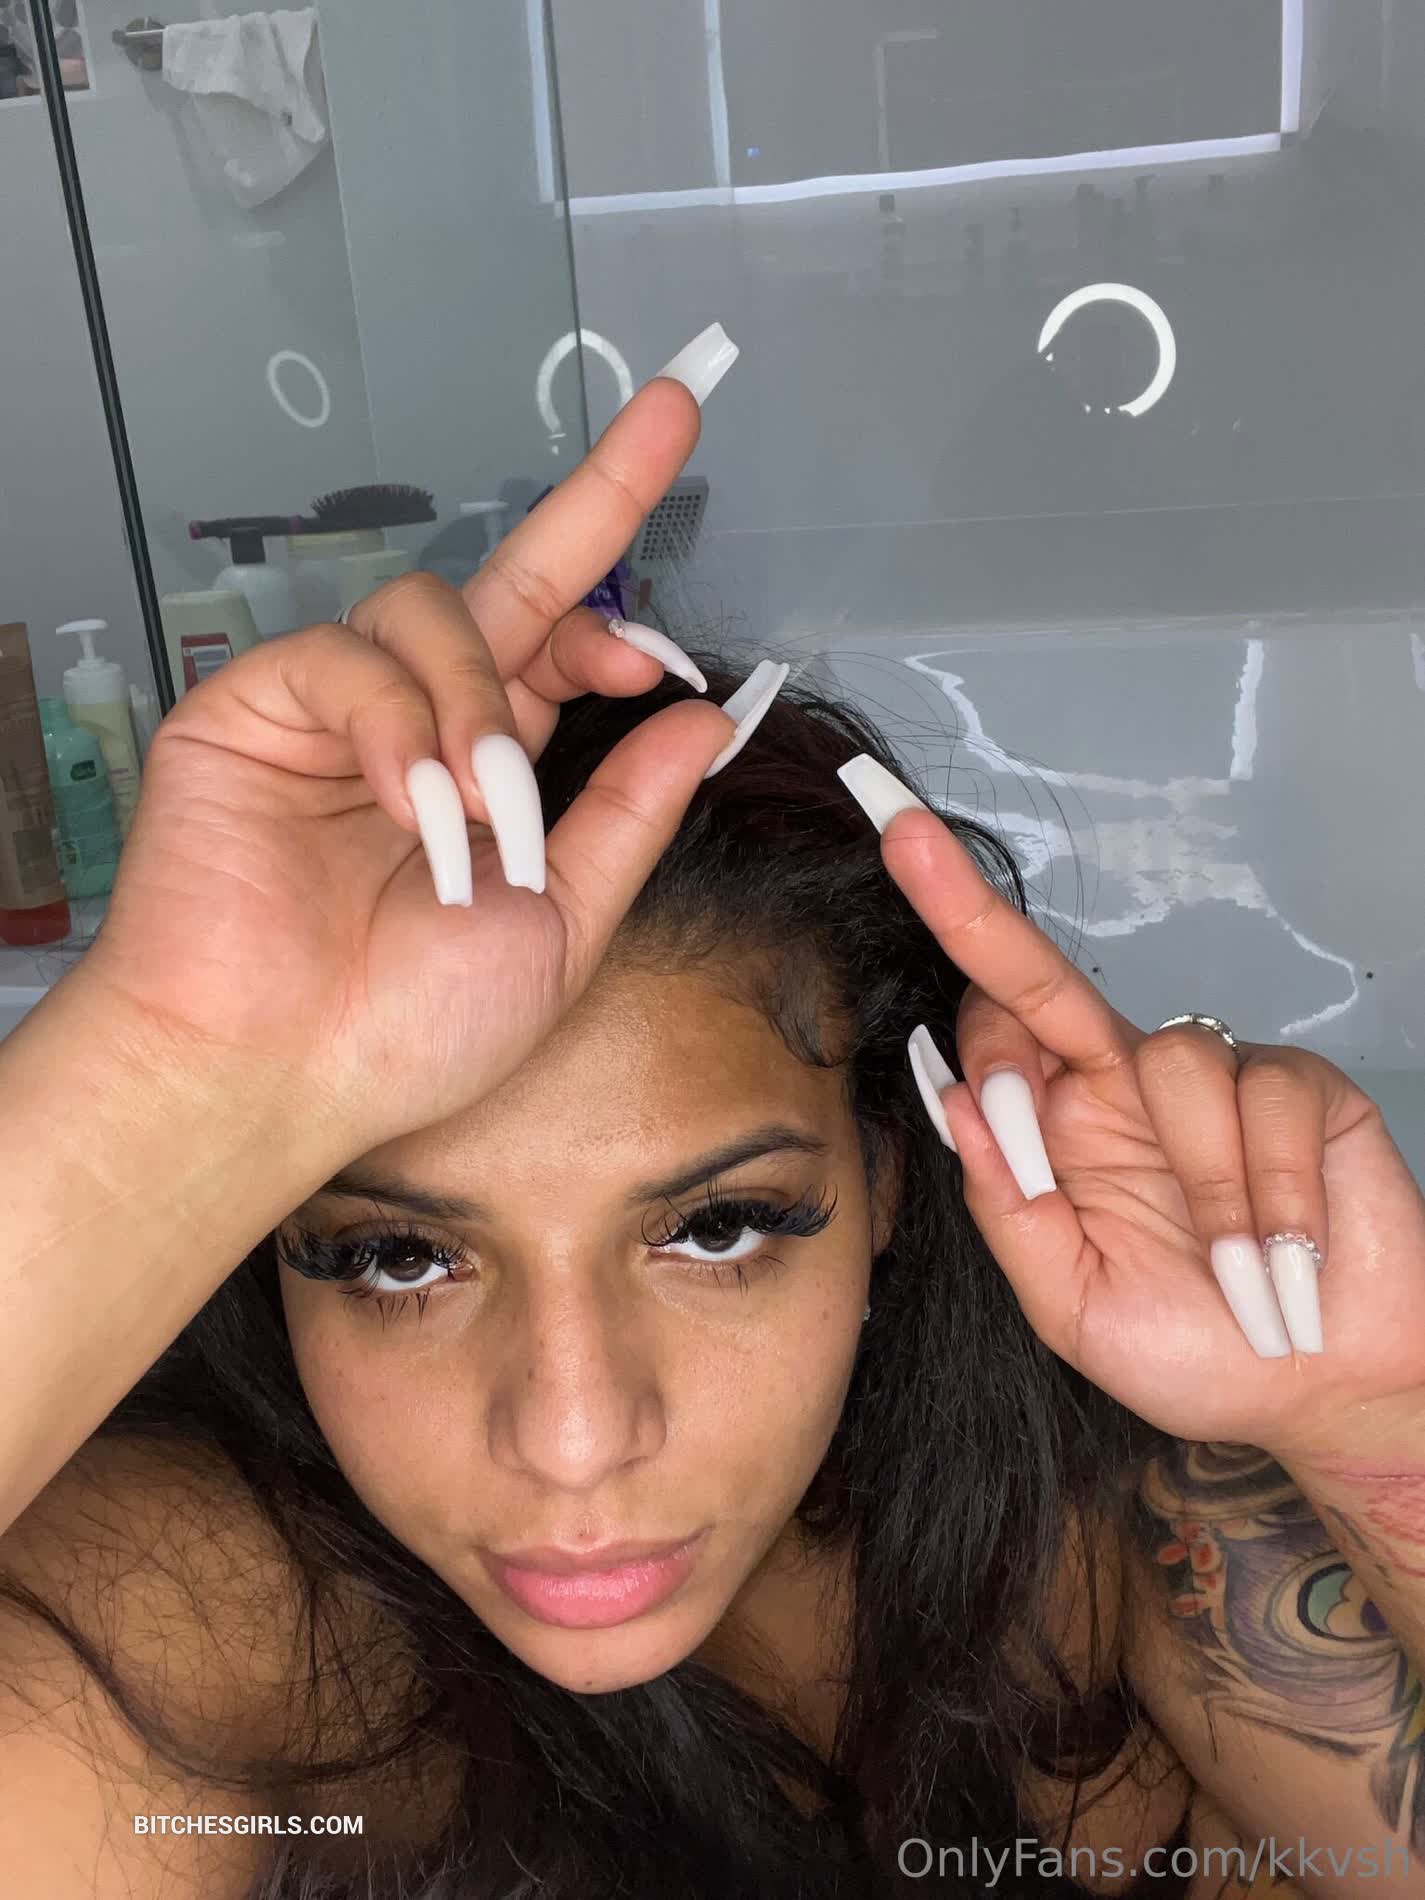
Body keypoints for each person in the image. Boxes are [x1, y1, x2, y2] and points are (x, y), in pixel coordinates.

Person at [1, 331, 1423, 1900]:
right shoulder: (208, 1623)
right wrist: (169, 1065)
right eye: (400, 1257)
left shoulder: (1120, 1536)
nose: (573, 1436)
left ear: (887, 1175)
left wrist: (1376, 1421)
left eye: (718, 1227)